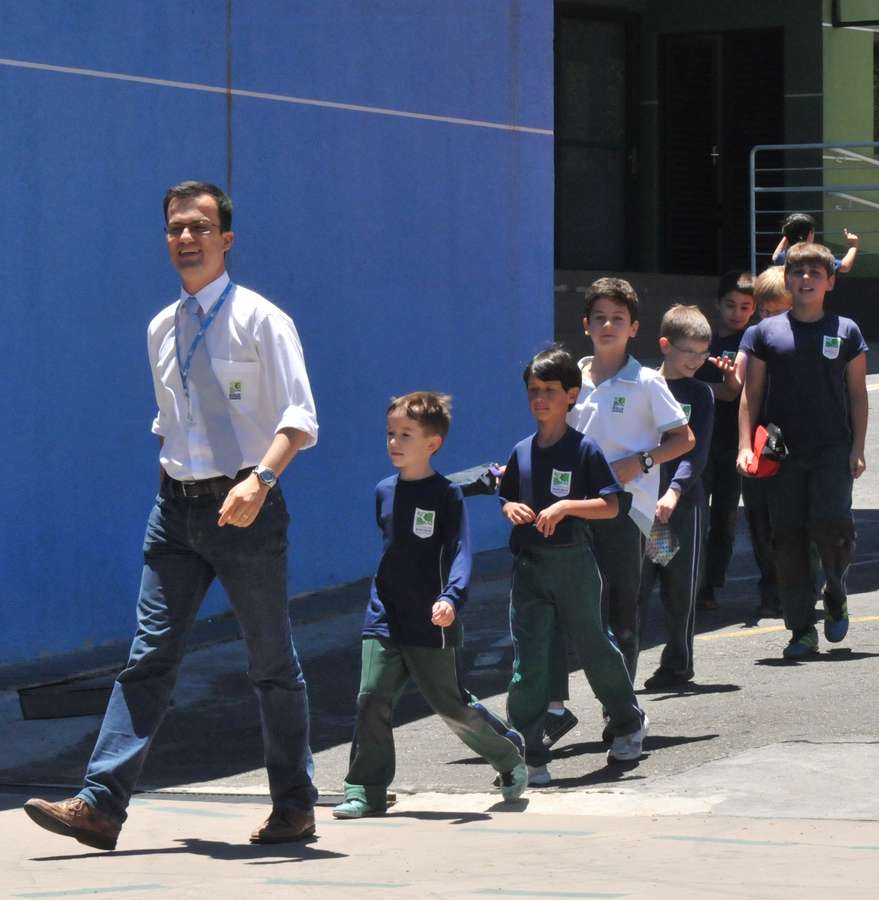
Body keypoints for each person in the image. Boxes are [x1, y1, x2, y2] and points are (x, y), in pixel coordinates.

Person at [24, 181, 319, 849]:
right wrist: (176, 485)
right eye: (176, 228)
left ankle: (295, 805)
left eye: (200, 227)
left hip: (248, 507)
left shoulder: (262, 320)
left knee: (270, 662)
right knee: (149, 656)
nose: (186, 238)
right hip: (176, 512)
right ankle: (101, 805)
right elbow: (171, 424)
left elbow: (299, 417)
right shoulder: (162, 328)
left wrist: (259, 481)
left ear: (226, 240)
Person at [332, 393, 528, 819]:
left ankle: (507, 751)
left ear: (432, 443)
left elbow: (460, 549)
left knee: (450, 704)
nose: (394, 443)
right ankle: (366, 788)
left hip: (433, 617)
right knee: (371, 696)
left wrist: (450, 597)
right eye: (390, 434)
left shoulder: (446, 495)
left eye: (405, 434)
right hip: (384, 614)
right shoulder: (384, 491)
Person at [499, 348, 648, 786]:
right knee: (529, 662)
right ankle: (530, 751)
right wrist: (510, 509)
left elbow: (612, 505)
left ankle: (626, 721)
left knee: (594, 648)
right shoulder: (521, 451)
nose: (540, 399)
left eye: (549, 391)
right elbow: (507, 495)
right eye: (533, 391)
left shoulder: (584, 449)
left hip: (574, 565)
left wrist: (566, 507)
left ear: (571, 396)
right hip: (530, 568)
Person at [562, 277, 694, 690]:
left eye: (618, 318)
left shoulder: (647, 382)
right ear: (585, 324)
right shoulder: (570, 379)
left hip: (627, 512)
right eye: (599, 317)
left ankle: (620, 709)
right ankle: (555, 706)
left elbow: (684, 439)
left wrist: (640, 462)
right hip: (574, 510)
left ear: (634, 328)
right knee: (573, 610)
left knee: (622, 612)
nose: (608, 325)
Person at [738, 244, 867, 659]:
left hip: (832, 449)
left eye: (816, 272)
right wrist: (745, 445)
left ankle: (836, 588)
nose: (806, 279)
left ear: (831, 281)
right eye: (798, 272)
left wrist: (858, 449)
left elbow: (858, 395)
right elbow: (750, 395)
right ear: (787, 280)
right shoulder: (765, 333)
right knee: (788, 539)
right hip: (782, 453)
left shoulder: (846, 330)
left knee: (833, 528)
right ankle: (800, 630)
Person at [638, 305, 715, 689]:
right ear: (666, 345)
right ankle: (624, 665)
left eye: (703, 354)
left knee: (680, 586)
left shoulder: (699, 394)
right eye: (689, 352)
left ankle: (678, 663)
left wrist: (675, 490)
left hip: (682, 506)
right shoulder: (644, 385)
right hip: (641, 505)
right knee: (635, 587)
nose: (697, 362)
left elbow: (695, 452)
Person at [695, 272, 754, 612]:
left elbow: (741, 392)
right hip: (701, 443)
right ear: (718, 304)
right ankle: (692, 578)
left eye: (745, 306)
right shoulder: (704, 344)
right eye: (731, 305)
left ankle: (711, 585)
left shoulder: (752, 343)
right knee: (697, 515)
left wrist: (724, 386)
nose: (737, 312)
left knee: (725, 517)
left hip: (735, 443)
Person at [736, 267, 792, 618]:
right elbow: (742, 382)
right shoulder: (754, 336)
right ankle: (770, 585)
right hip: (758, 438)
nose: (767, 319)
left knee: (792, 518)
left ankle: (797, 584)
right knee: (758, 518)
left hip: (793, 437)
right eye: (763, 311)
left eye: (777, 311)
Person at [770, 212, 859, 273]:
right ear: (809, 234)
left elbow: (775, 256)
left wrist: (788, 234)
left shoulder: (784, 257)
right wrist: (853, 246)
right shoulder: (815, 257)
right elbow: (845, 266)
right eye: (812, 232)